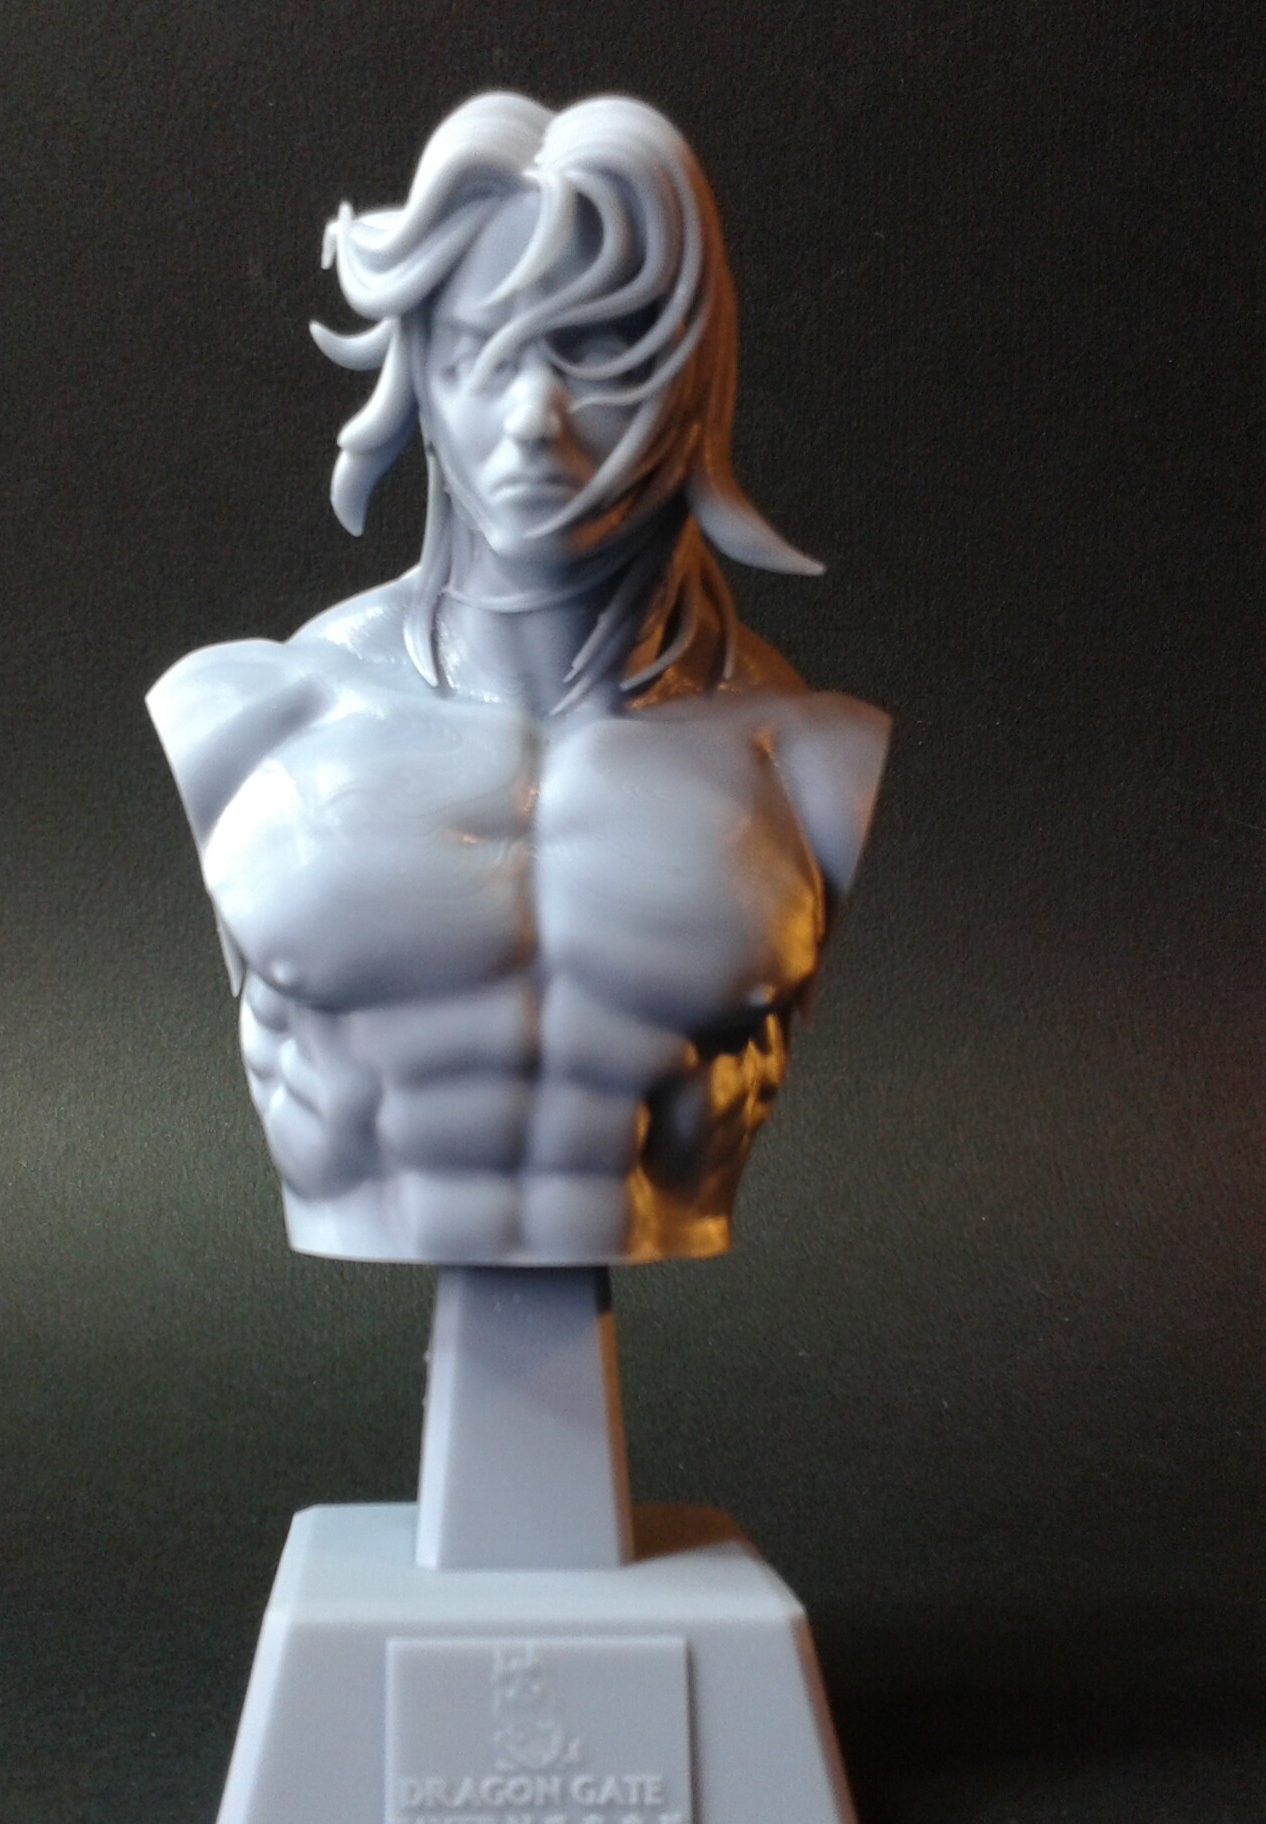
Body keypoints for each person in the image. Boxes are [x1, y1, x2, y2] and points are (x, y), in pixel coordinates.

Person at [149, 92, 889, 1266]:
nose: (535, 414)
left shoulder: (809, 762)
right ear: (417, 377)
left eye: (596, 351)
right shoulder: (249, 723)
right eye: (481, 353)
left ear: (693, 376)